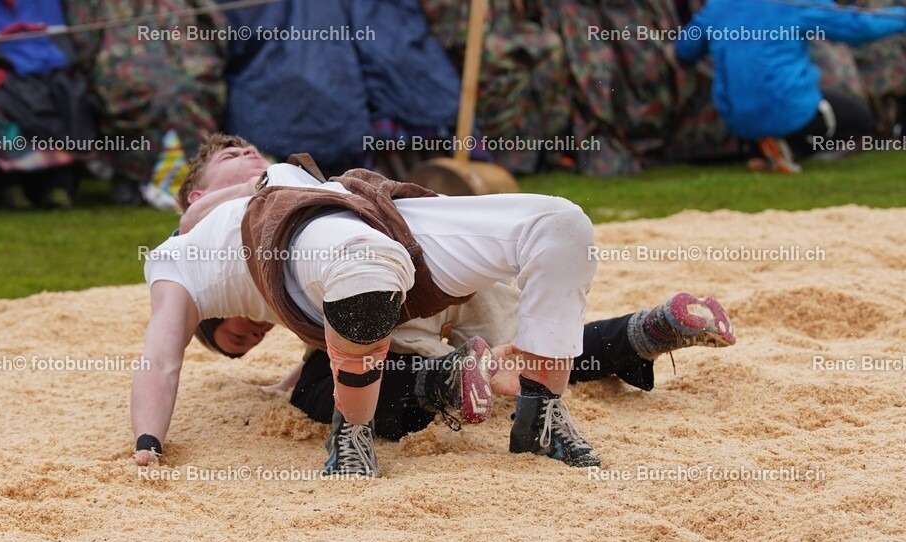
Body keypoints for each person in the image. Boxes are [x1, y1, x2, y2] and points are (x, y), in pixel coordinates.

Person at [132, 133, 600, 475]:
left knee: (561, 222)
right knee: (368, 263)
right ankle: (352, 436)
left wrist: (275, 176)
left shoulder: (294, 176)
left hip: (377, 211)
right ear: (197, 194)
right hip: (317, 246)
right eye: (230, 155)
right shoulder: (183, 249)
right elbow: (161, 358)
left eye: (250, 149)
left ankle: (541, 412)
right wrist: (148, 441)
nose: (247, 153)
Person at [194, 282, 736, 442]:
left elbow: (331, 347)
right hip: (470, 281)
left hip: (400, 310)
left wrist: (291, 382)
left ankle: (441, 385)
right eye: (246, 345)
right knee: (535, 354)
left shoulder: (243, 271)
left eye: (233, 333)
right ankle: (649, 329)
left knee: (324, 390)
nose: (250, 334)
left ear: (215, 312)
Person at [675, 0, 906, 172]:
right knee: (859, 118)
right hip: (788, 112)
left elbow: (685, 49)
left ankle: (764, 149)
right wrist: (900, 16)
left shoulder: (717, 6)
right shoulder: (794, 2)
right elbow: (858, 28)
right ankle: (795, 150)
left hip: (737, 120)